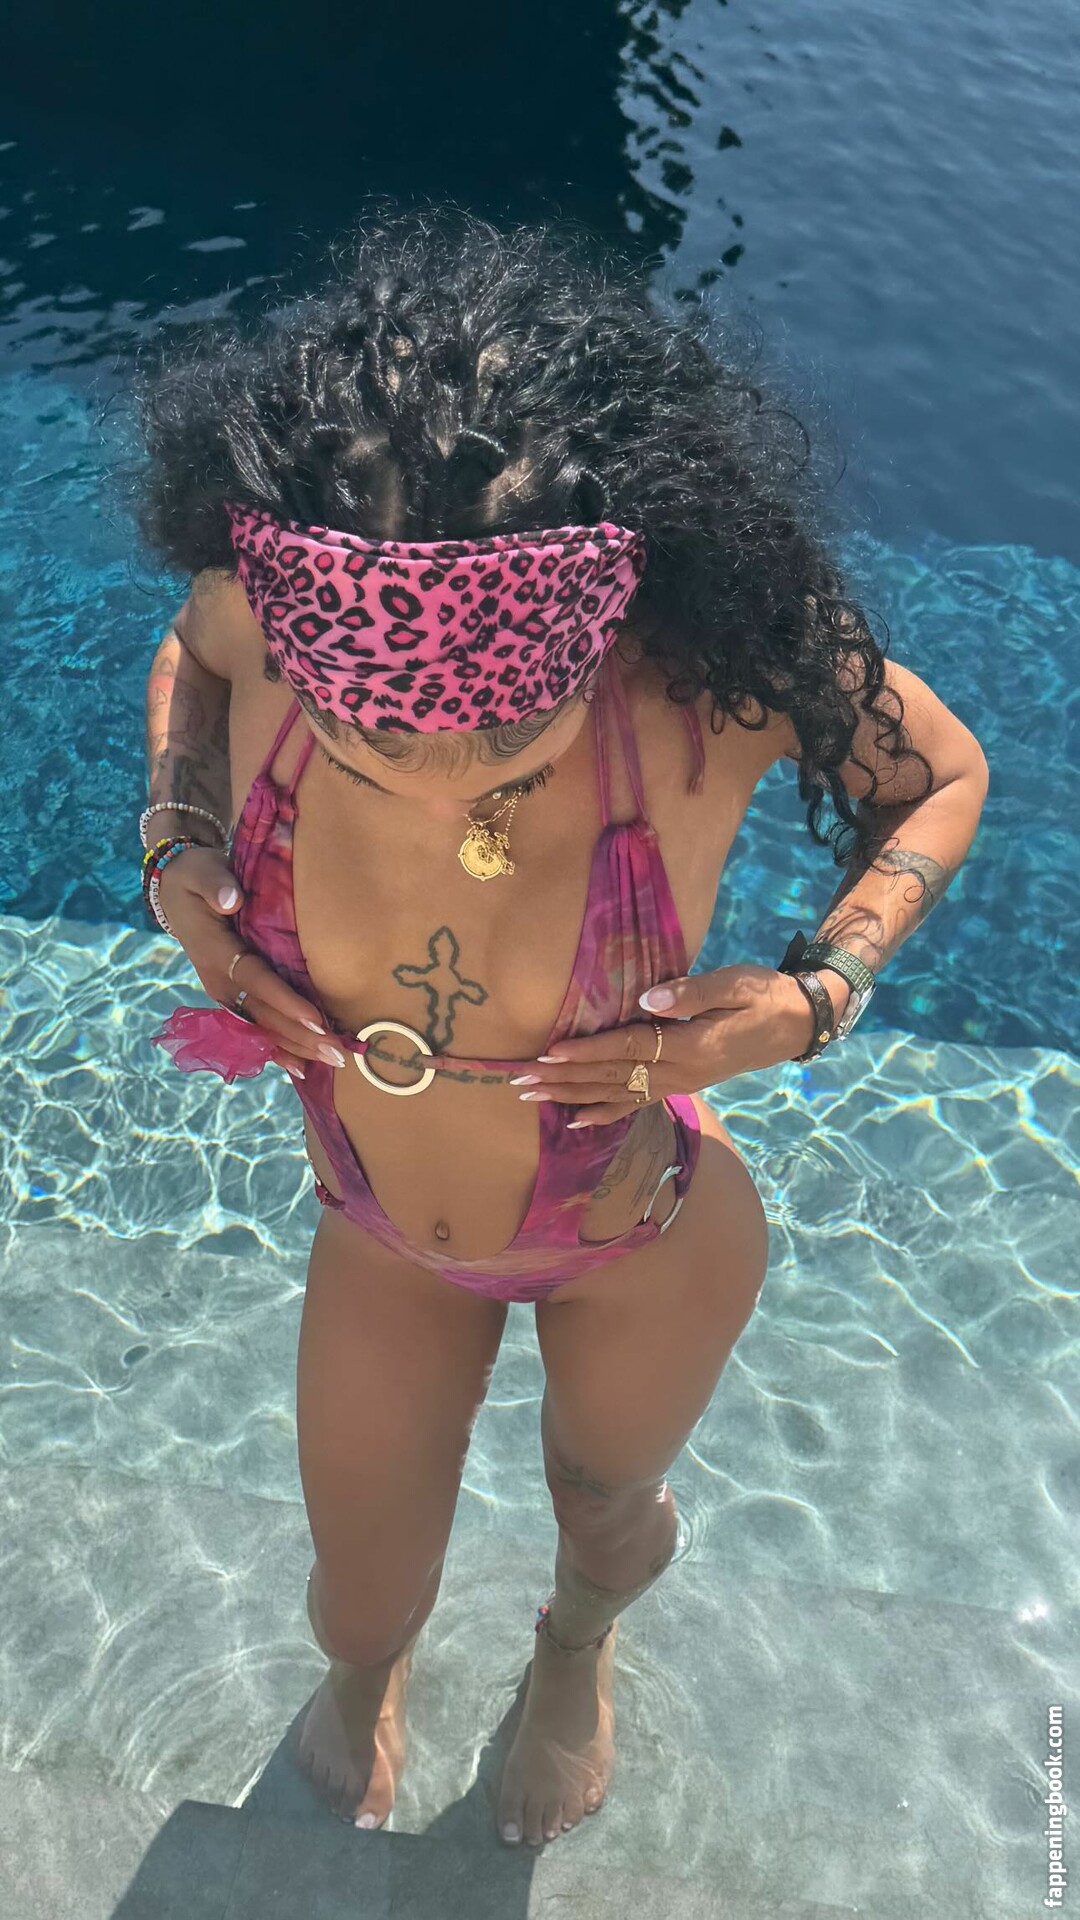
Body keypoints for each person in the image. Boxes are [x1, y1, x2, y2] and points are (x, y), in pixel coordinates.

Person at [137, 209, 989, 1849]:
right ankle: (370, 1675)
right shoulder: (260, 615)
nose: (436, 779)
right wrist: (179, 847)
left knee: (606, 1515)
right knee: (354, 1595)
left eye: (499, 744)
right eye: (375, 738)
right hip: (383, 1228)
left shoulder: (713, 677)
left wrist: (812, 996)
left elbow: (939, 778)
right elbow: (190, 656)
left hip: (640, 1229)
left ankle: (573, 1650)